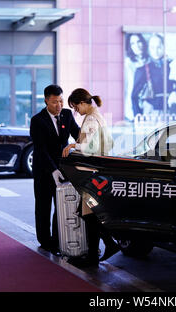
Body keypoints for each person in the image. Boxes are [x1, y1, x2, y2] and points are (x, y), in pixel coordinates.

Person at [62, 88, 119, 267]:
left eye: (75, 107)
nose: (76, 112)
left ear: (82, 103)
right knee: (88, 213)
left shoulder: (92, 119)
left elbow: (90, 147)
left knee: (90, 215)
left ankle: (95, 255)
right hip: (97, 173)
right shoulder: (96, 116)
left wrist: (73, 145)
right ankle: (106, 246)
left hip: (92, 174)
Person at [30, 84, 80, 256]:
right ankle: (45, 241)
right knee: (44, 205)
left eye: (61, 101)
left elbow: (78, 134)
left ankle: (58, 239)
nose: (58, 105)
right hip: (44, 170)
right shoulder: (37, 120)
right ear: (46, 101)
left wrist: (81, 144)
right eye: (54, 102)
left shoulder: (66, 114)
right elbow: (41, 150)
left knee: (61, 205)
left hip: (63, 167)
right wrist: (53, 170)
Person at [131, 33, 176, 117]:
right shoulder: (143, 70)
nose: (156, 51)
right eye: (152, 47)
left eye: (159, 47)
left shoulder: (172, 66)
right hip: (151, 113)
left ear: (164, 47)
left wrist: (175, 92)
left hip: (171, 112)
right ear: (149, 49)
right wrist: (138, 116)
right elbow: (134, 96)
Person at [124, 33, 149, 120]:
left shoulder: (149, 60)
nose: (137, 46)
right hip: (132, 108)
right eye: (132, 43)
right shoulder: (128, 63)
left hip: (148, 106)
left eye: (139, 42)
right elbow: (127, 88)